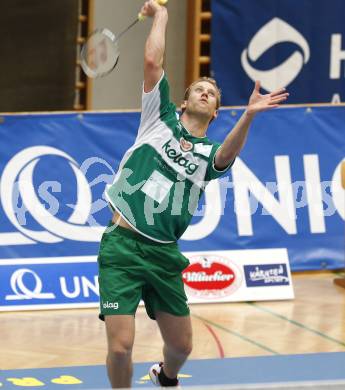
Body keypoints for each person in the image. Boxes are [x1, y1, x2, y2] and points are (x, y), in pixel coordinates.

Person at [97, 1, 289, 388]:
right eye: (198, 90)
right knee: (120, 347)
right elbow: (153, 64)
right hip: (122, 246)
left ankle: (165, 376)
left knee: (181, 346)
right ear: (183, 101)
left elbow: (226, 155)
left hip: (165, 253)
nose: (205, 93)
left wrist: (249, 114)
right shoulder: (159, 119)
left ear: (216, 111)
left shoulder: (207, 155)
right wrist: (161, 15)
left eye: (212, 94)